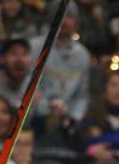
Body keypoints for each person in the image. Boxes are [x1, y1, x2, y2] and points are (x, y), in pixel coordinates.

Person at [31, 2, 91, 133]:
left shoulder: (83, 55)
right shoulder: (35, 47)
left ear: (76, 22)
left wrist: (72, 116)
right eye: (60, 15)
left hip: (69, 123)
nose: (64, 21)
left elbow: (82, 95)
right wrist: (46, 107)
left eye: (69, 16)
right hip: (35, 119)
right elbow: (27, 85)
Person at [78, 69, 119, 164]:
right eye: (113, 85)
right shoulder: (91, 116)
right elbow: (76, 144)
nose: (118, 91)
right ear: (105, 89)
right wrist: (91, 150)